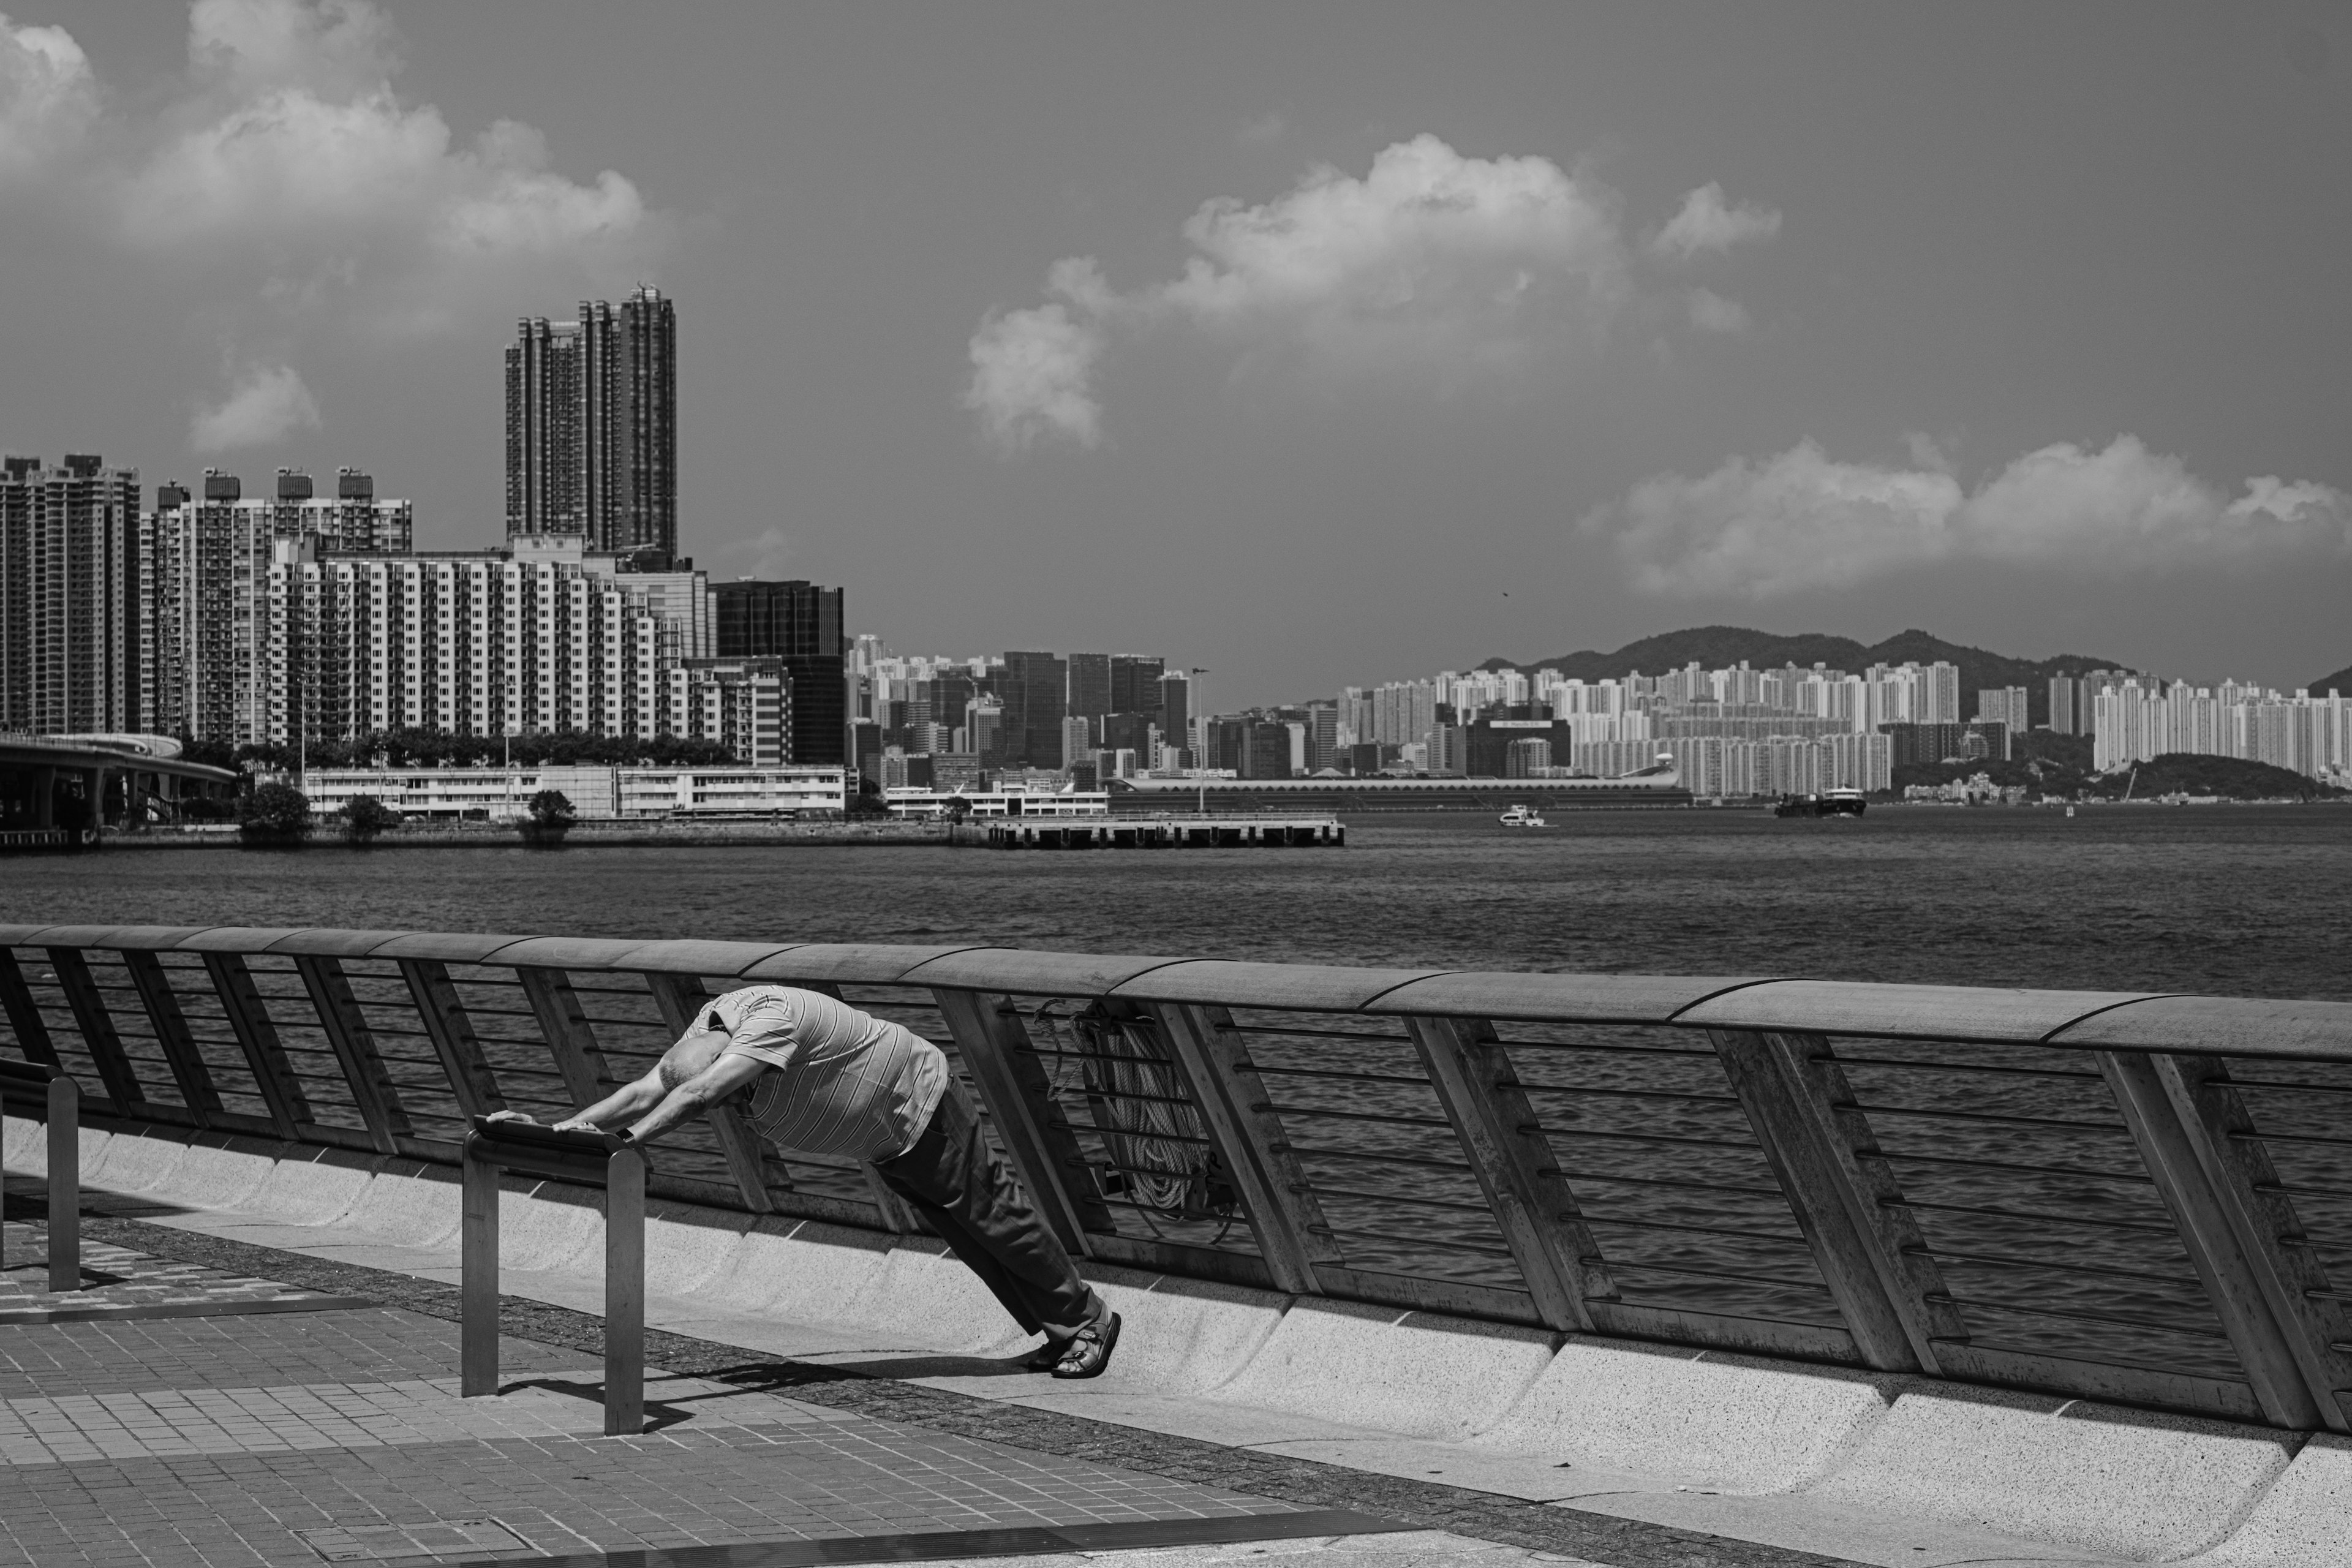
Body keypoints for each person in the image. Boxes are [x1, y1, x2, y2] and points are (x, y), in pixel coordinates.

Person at [493, 983, 1119, 1378]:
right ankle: (1061, 1330)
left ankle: (1090, 1318)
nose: (736, 1105)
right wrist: (562, 1128)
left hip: (919, 1108)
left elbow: (704, 1091)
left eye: (744, 1094)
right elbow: (647, 1089)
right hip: (888, 1140)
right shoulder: (705, 1031)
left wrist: (626, 1145)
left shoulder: (770, 1018)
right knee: (977, 1238)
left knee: (996, 1219)